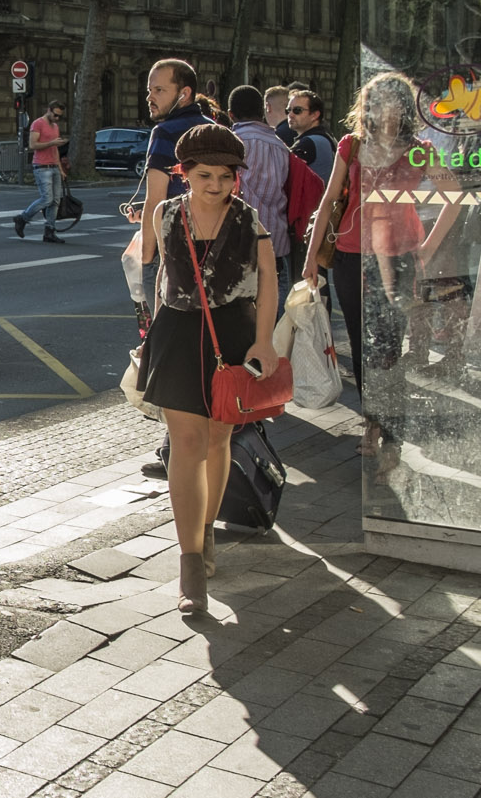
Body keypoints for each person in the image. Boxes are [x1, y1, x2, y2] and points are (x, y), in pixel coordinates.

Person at [133, 125, 279, 613]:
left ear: (236, 176)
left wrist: (264, 342)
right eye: (203, 175)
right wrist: (150, 335)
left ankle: (207, 532)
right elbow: (161, 275)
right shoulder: (165, 213)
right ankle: (190, 563)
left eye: (224, 176)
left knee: (218, 440)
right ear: (185, 174)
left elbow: (267, 286)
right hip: (177, 334)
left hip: (232, 336)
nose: (214, 185)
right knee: (186, 445)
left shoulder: (250, 220)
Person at [302, 72, 463, 456]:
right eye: (374, 101)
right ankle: (372, 423)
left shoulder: (419, 149)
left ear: (403, 107)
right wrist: (311, 259)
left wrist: (425, 247)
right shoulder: (352, 146)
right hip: (351, 255)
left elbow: (454, 196)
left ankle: (391, 425)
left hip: (399, 258)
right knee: (360, 343)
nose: (381, 108)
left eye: (390, 101)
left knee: (390, 343)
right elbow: (327, 202)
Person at [134, 59, 217, 480]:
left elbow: (156, 201)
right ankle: (203, 442)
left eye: (159, 90)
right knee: (207, 349)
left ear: (183, 92)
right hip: (217, 256)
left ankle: (176, 449)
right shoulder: (216, 130)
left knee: (168, 354)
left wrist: (147, 259)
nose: (150, 96)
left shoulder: (165, 133)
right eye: (150, 89)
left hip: (175, 257)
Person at [229, 86, 293, 307]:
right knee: (275, 306)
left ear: (231, 115)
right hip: (276, 238)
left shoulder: (233, 141)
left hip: (239, 238)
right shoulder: (281, 146)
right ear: (262, 111)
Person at [15, 100, 70, 244]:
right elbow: (33, 145)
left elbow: (55, 150)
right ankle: (23, 218)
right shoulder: (37, 124)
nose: (57, 118)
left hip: (53, 166)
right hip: (41, 166)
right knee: (47, 199)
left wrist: (60, 168)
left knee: (55, 201)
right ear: (49, 110)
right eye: (55, 115)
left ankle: (49, 231)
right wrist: (52, 143)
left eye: (60, 116)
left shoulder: (55, 126)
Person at [288, 89, 335, 182]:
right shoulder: (326, 136)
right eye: (288, 110)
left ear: (314, 115)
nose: (290, 114)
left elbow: (282, 174)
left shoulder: (308, 143)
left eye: (297, 110)